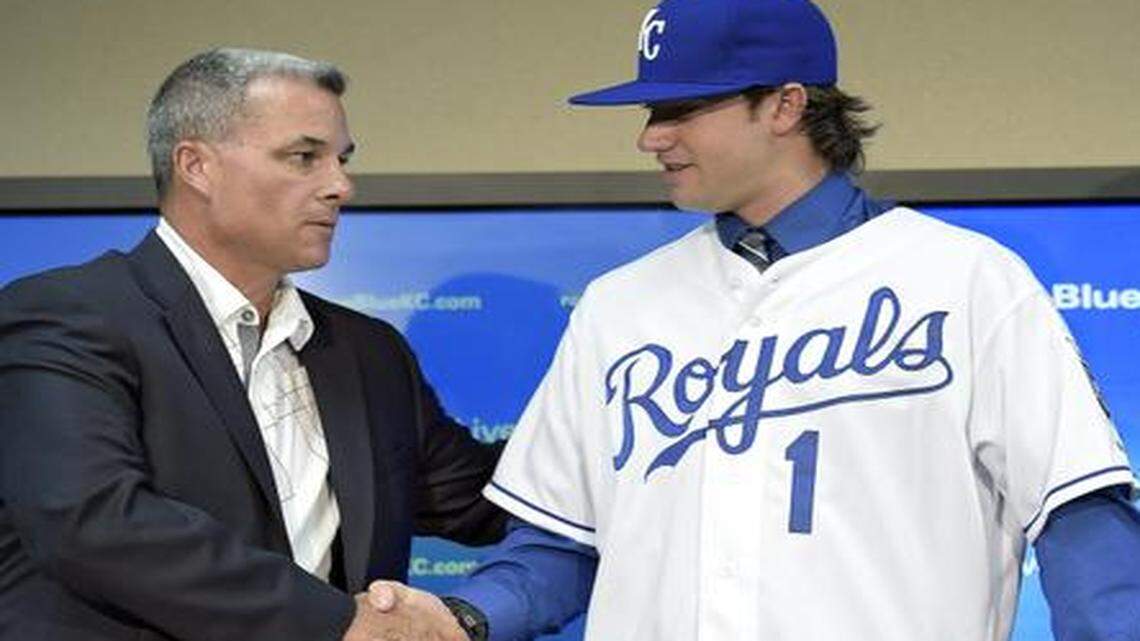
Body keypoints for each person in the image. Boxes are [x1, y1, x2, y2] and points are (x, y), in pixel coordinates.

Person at [370, 1, 1140, 639]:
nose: (650, 135)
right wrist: (466, 617)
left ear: (785, 103)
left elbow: (1083, 527)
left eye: (682, 107)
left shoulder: (968, 281)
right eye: (648, 108)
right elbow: (562, 545)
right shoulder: (619, 304)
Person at [0, 48, 503, 641]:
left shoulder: (370, 352)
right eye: (304, 157)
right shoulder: (62, 315)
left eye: (341, 160)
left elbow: (482, 499)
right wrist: (344, 625)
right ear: (196, 166)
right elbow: (96, 523)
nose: (341, 185)